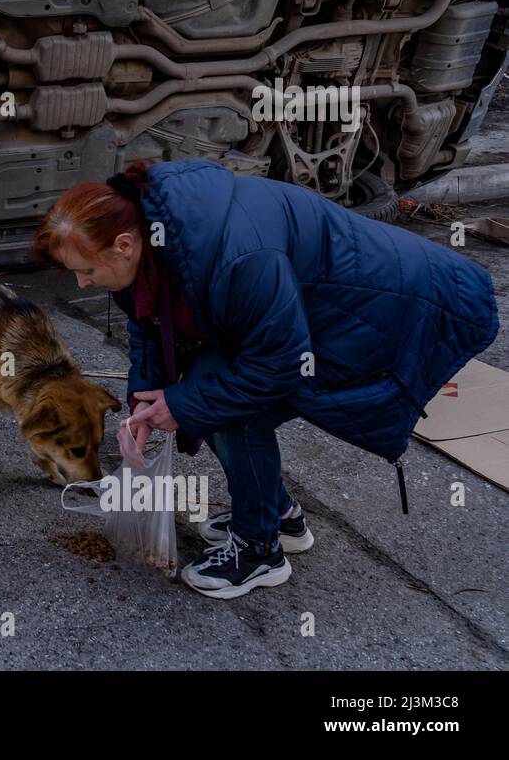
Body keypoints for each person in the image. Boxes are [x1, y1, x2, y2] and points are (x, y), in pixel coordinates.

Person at [31, 159, 498, 599]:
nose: (82, 285)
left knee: (231, 408)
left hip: (402, 310)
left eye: (86, 270)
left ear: (123, 245)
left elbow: (278, 364)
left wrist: (181, 405)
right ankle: (281, 517)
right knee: (206, 392)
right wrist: (143, 403)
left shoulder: (235, 254)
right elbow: (149, 330)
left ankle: (260, 552)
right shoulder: (153, 249)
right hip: (316, 311)